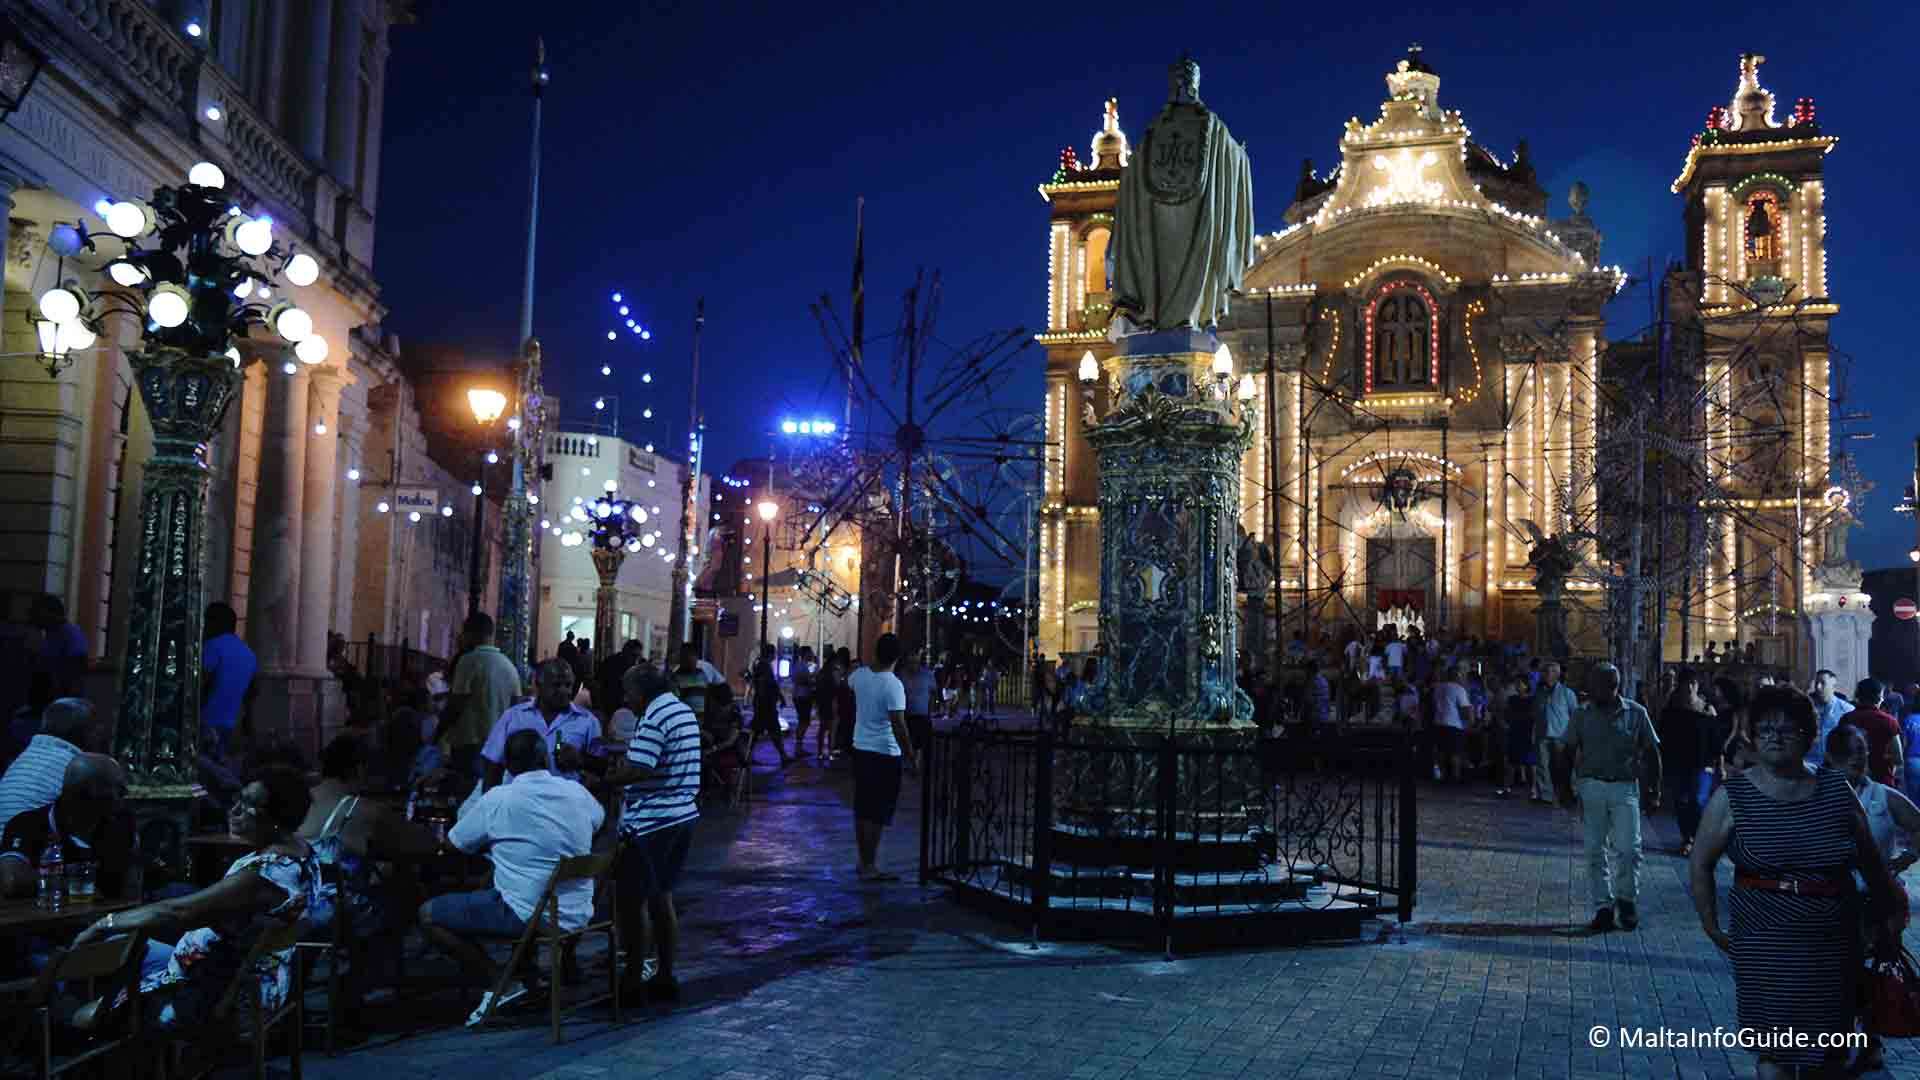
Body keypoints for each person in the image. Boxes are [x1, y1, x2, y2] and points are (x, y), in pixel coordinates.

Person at [1689, 686, 1907, 1079]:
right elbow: (1701, 863)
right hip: (1763, 940)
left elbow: (1871, 865)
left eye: (1786, 730)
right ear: (1753, 736)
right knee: (1773, 1052)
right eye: (1765, 729)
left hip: (1831, 940)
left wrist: (1889, 918)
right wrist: (1710, 924)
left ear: (1808, 736)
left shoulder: (1835, 789)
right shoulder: (1733, 796)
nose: (1774, 738)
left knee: (1828, 1052)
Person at [73, 768, 321, 1035]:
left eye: (248, 803)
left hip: (220, 995)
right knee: (120, 947)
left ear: (276, 818)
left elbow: (178, 912)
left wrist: (105, 922)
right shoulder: (302, 852)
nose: (235, 810)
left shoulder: (265, 874)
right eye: (238, 799)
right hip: (241, 976)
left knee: (82, 1009)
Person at [420, 731, 603, 1026]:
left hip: (532, 915)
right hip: (578, 912)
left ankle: (501, 982)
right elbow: (598, 820)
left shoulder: (498, 798)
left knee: (429, 914)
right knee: (513, 882)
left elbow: (454, 844)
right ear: (545, 759)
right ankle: (526, 978)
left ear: (507, 765)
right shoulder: (576, 792)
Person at [604, 666, 700, 1002]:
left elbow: (640, 768)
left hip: (652, 821)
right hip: (682, 814)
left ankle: (632, 980)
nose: (626, 699)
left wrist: (606, 780)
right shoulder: (681, 710)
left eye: (628, 691)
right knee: (662, 897)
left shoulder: (656, 716)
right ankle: (665, 975)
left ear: (643, 690)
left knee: (632, 902)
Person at [299, 735, 439, 940]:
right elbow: (427, 844)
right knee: (405, 890)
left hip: (294, 909)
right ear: (359, 769)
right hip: (341, 916)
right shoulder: (360, 810)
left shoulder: (297, 800)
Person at [1559, 661, 1660, 931]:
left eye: (1599, 685)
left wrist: (1654, 791)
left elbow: (1652, 752)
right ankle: (1603, 906)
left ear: (1614, 687)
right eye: (1592, 684)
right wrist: (1564, 789)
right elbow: (1567, 752)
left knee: (1629, 849)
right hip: (1591, 787)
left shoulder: (1636, 713)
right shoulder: (1582, 715)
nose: (1593, 690)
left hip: (1624, 788)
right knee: (1594, 849)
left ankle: (1626, 900)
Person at [0, 754, 134, 901]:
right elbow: (11, 880)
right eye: (119, 789)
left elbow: (135, 882)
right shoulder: (27, 825)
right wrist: (79, 886)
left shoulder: (122, 824)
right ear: (91, 791)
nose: (126, 794)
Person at [848, 633, 914, 881]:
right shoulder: (893, 684)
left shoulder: (859, 676)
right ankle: (870, 865)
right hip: (885, 753)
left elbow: (849, 682)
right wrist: (911, 755)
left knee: (863, 808)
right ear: (897, 657)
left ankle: (863, 861)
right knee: (877, 813)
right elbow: (899, 725)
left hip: (860, 749)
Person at [481, 658, 602, 789]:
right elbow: (493, 763)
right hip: (520, 797)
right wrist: (491, 797)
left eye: (568, 685)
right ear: (539, 685)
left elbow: (600, 768)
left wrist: (580, 760)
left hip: (565, 799)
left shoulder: (587, 721)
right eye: (556, 685)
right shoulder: (514, 717)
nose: (564, 691)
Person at [437, 613, 522, 781]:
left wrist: (437, 733)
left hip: (469, 744)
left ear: (470, 634)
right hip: (498, 746)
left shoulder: (468, 661)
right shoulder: (509, 666)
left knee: (467, 791)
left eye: (463, 633)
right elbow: (516, 706)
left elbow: (456, 704)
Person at [0, 698, 100, 828]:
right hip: (25, 839)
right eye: (95, 728)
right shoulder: (76, 767)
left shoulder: (29, 755)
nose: (99, 734)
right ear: (83, 731)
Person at [1656, 668, 1721, 856]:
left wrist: (1719, 764)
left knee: (1698, 801)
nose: (1690, 688)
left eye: (1693, 683)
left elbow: (1716, 741)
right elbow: (1663, 738)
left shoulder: (1707, 710)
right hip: (1679, 763)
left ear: (1697, 685)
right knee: (1681, 801)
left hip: (1702, 764)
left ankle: (1698, 838)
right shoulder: (1672, 710)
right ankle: (1688, 838)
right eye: (1687, 684)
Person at [199, 602, 257, 758]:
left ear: (214, 623)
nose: (204, 627)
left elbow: (200, 684)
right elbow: (251, 693)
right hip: (232, 725)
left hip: (207, 723)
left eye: (206, 622)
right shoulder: (248, 653)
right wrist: (248, 724)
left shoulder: (212, 646)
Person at [1841, 678, 1903, 788]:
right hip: (1881, 782)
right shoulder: (1889, 721)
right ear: (1879, 697)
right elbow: (1898, 758)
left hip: (1851, 782)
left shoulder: (1846, 719)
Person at [1531, 662, 1577, 806]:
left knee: (1564, 768)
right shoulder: (1540, 693)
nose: (1547, 674)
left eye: (1551, 671)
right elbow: (1536, 714)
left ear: (1557, 674)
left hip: (1560, 736)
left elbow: (1574, 715)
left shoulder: (1567, 693)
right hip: (1543, 735)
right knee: (1542, 767)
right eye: (1545, 672)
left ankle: (1568, 794)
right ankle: (1546, 796)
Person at [30, 595, 87, 700]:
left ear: (52, 613)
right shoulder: (50, 634)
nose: (34, 617)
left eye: (38, 612)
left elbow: (76, 669)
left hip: (64, 699)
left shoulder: (71, 633)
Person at [748, 644, 789, 766]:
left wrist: (779, 697)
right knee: (771, 731)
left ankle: (748, 756)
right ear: (770, 654)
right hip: (766, 705)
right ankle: (783, 756)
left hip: (765, 704)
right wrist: (768, 701)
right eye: (774, 653)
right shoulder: (763, 666)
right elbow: (764, 685)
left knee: (760, 731)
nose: (775, 655)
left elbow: (770, 684)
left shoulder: (763, 665)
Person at [1805, 668, 1853, 769]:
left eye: (1823, 683)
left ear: (1833, 686)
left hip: (1835, 766)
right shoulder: (1806, 708)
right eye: (1816, 683)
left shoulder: (1847, 710)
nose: (1818, 687)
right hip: (1809, 764)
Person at [1429, 667, 1471, 783]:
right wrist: (1469, 721)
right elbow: (1465, 709)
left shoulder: (1438, 688)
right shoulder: (1459, 689)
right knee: (1455, 753)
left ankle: (1440, 776)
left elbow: (1433, 704)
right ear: (1457, 676)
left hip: (1438, 722)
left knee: (1440, 752)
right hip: (1454, 724)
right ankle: (1455, 778)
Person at [900, 650, 936, 760]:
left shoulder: (928, 675)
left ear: (919, 661)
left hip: (923, 717)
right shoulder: (902, 675)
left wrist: (930, 713)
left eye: (915, 661)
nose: (913, 664)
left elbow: (933, 694)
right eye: (910, 662)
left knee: (922, 749)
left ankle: (919, 766)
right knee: (908, 747)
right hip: (906, 717)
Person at [790, 647, 817, 756]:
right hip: (803, 696)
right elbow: (807, 681)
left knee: (803, 721)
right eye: (810, 652)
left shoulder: (799, 665)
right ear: (806, 654)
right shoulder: (802, 666)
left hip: (799, 696)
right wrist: (813, 679)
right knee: (804, 722)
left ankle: (798, 747)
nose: (812, 654)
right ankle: (798, 748)